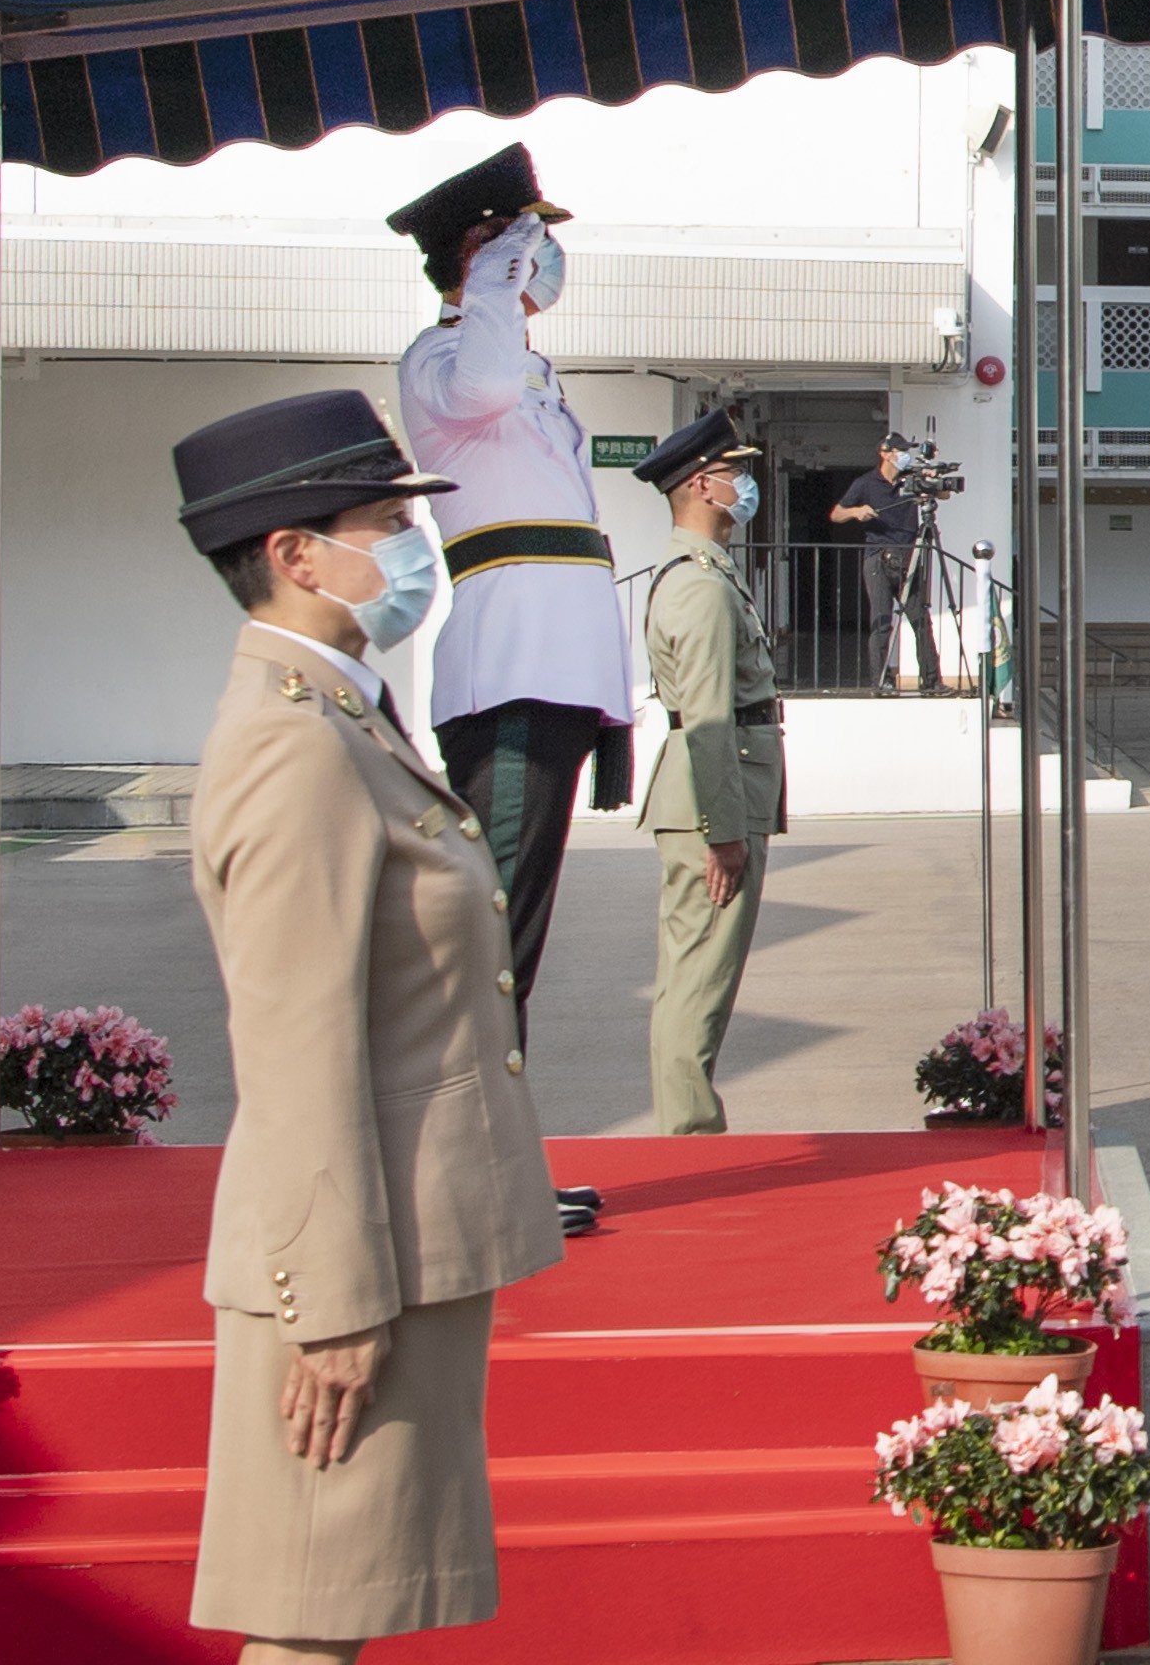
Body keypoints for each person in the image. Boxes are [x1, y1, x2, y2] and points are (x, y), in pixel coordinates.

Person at [171, 389, 567, 1657]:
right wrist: (332, 1304)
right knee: (308, 1616)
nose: (413, 548)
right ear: (294, 555)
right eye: (387, 520)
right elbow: (295, 1051)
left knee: (340, 1602)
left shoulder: (343, 711)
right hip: (356, 1265)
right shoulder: (293, 746)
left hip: (408, 1244)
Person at [384, 148, 627, 1182]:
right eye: (531, 240)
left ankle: (493, 1157)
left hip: (562, 672)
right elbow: (482, 380)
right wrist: (491, 274)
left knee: (513, 932)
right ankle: (468, 1167)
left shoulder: (525, 370)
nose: (548, 259)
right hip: (513, 675)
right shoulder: (444, 361)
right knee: (491, 939)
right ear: (483, 251)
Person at [637, 410, 784, 1138]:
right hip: (711, 806)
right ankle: (687, 1137)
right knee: (699, 983)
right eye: (736, 475)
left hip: (718, 796)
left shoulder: (707, 573)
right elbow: (708, 720)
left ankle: (687, 1126)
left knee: (697, 979)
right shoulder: (697, 586)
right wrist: (722, 831)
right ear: (701, 485)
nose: (745, 486)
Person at [829, 432, 938, 694]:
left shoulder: (910, 481)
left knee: (920, 620)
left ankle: (932, 681)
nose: (904, 456)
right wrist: (857, 511)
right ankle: (881, 681)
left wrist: (933, 481)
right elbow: (836, 514)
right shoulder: (865, 483)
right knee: (881, 621)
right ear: (885, 453)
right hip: (878, 557)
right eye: (900, 451)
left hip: (909, 556)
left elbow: (942, 495)